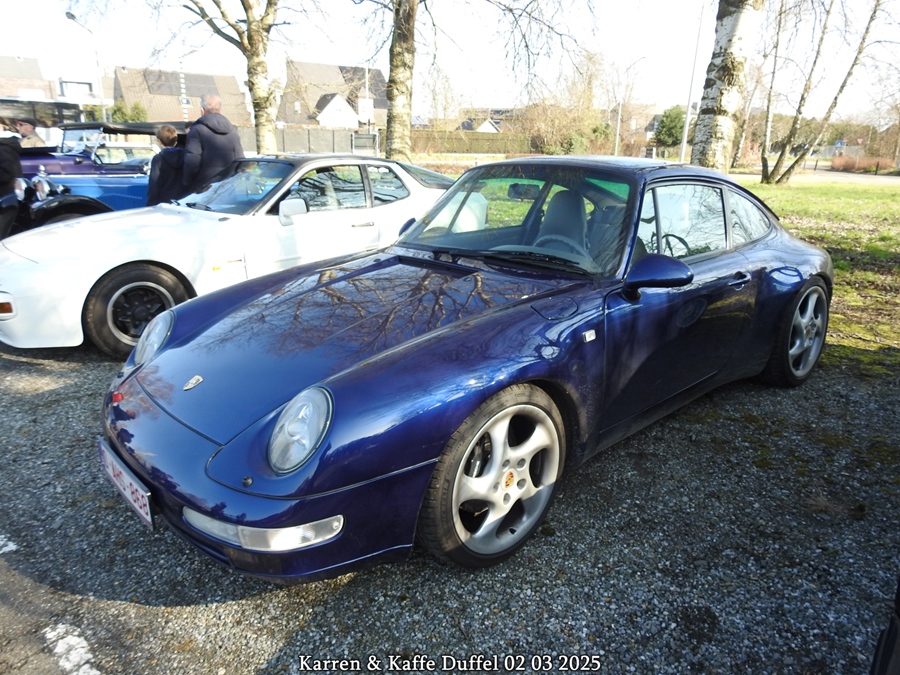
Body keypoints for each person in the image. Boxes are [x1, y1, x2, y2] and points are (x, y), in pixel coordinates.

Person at [182, 93, 243, 193]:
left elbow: (192, 161)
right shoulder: (233, 131)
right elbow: (240, 160)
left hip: (204, 188)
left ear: (202, 111)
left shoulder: (197, 130)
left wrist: (187, 184)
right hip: (228, 187)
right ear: (221, 110)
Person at [146, 125, 186, 206]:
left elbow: (155, 184)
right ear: (176, 140)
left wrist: (150, 204)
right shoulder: (187, 157)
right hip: (184, 201)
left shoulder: (158, 159)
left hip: (164, 203)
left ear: (159, 141)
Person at [0, 130, 23, 238]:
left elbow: (6, 173)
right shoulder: (10, 149)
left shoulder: (3, 150)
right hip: (8, 196)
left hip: (3, 196)